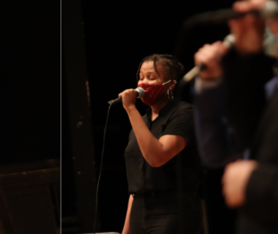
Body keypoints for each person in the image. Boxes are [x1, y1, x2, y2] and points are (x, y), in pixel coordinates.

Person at [193, 0, 278, 232]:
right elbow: (219, 151)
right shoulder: (263, 82)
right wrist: (213, 82)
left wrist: (255, 184)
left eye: (260, 14)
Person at [119, 54, 202, 234]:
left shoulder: (184, 113)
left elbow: (158, 157)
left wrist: (130, 108)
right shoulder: (140, 123)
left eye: (151, 77)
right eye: (141, 77)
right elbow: (136, 184)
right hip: (139, 212)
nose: (143, 83)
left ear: (170, 84)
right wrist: (126, 229)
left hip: (172, 210)